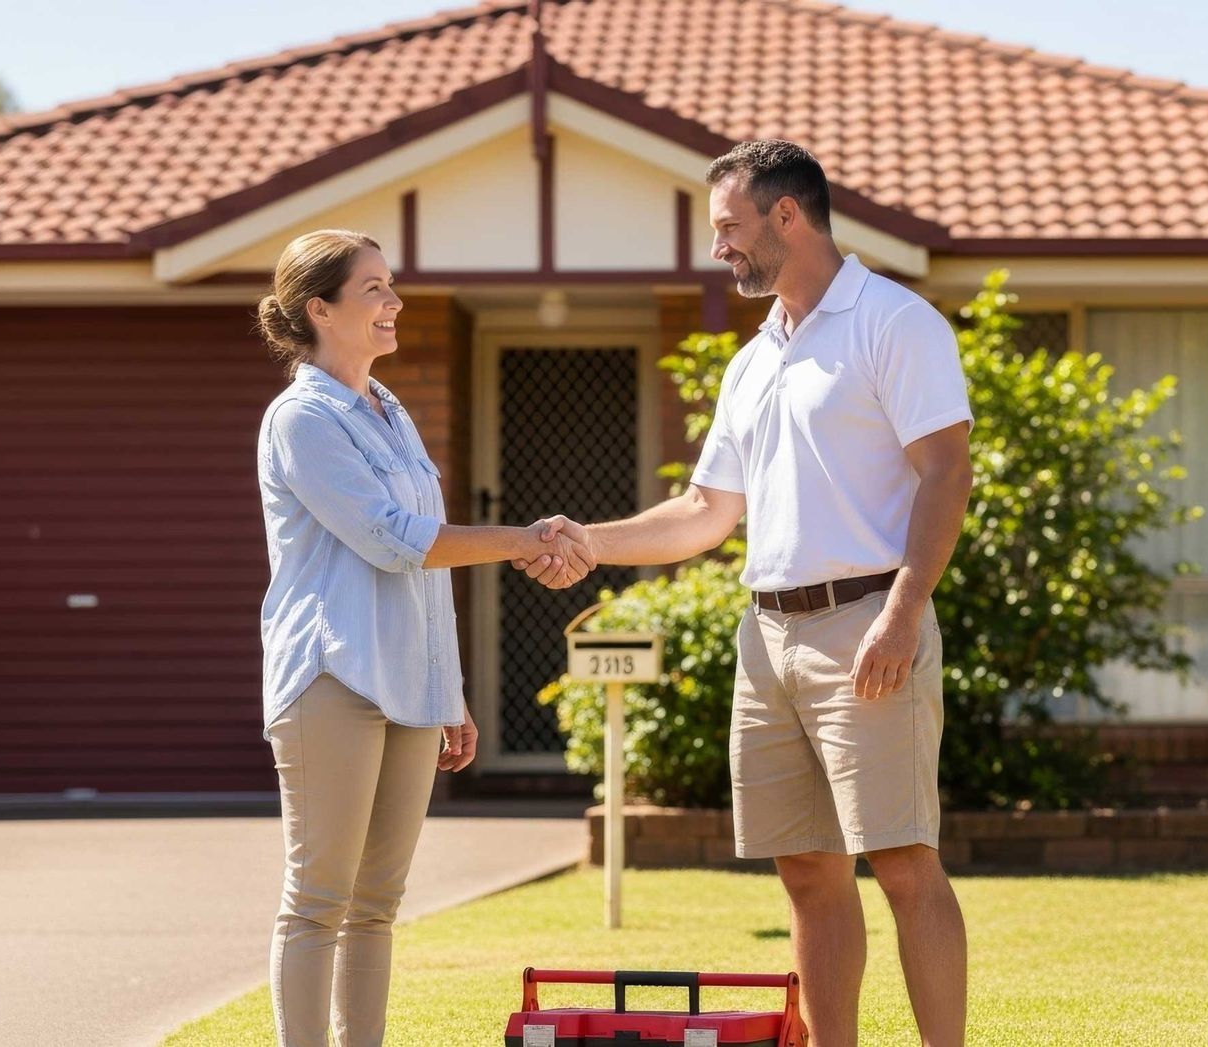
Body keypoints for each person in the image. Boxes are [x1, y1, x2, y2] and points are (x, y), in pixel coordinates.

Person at [520, 141, 973, 1046]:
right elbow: (706, 510)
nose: (718, 246)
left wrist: (902, 610)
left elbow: (946, 470)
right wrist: (589, 542)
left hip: (868, 622)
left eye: (730, 226)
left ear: (787, 216)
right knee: (806, 869)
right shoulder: (753, 360)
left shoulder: (894, 321)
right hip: (766, 638)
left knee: (902, 859)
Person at [254, 229, 591, 1047]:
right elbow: (394, 539)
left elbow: (427, 568)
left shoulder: (390, 409)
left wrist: (451, 690)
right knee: (318, 899)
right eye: (373, 288)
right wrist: (520, 540)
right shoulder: (302, 418)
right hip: (332, 678)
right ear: (320, 309)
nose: (394, 302)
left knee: (377, 904)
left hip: (410, 684)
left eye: (390, 284)